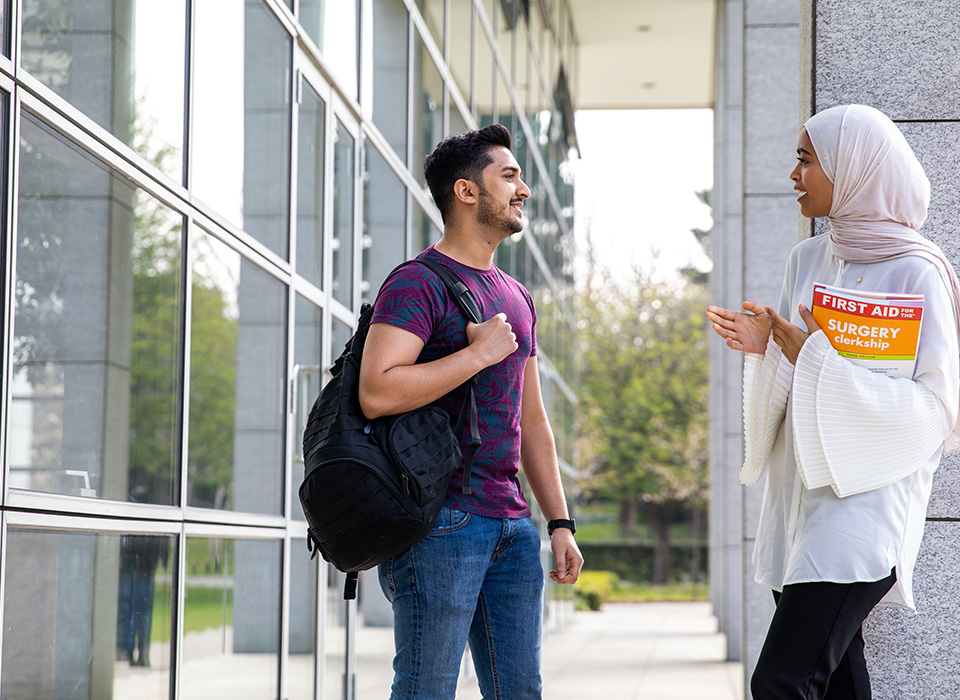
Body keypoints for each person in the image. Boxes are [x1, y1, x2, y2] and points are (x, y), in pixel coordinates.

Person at [706, 104, 960, 699]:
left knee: (781, 682)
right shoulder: (808, 259)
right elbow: (797, 376)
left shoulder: (919, 272)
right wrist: (767, 350)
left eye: (805, 160)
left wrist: (813, 356)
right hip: (799, 499)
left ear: (853, 167)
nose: (793, 176)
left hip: (866, 507)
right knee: (839, 682)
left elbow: (937, 408)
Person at [359, 124, 583, 700]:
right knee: (426, 690)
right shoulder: (417, 283)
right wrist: (476, 353)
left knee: (519, 692)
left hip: (512, 526)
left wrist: (558, 523)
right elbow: (377, 390)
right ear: (466, 192)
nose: (524, 190)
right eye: (508, 175)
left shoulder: (515, 295)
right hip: (441, 524)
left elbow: (530, 420)